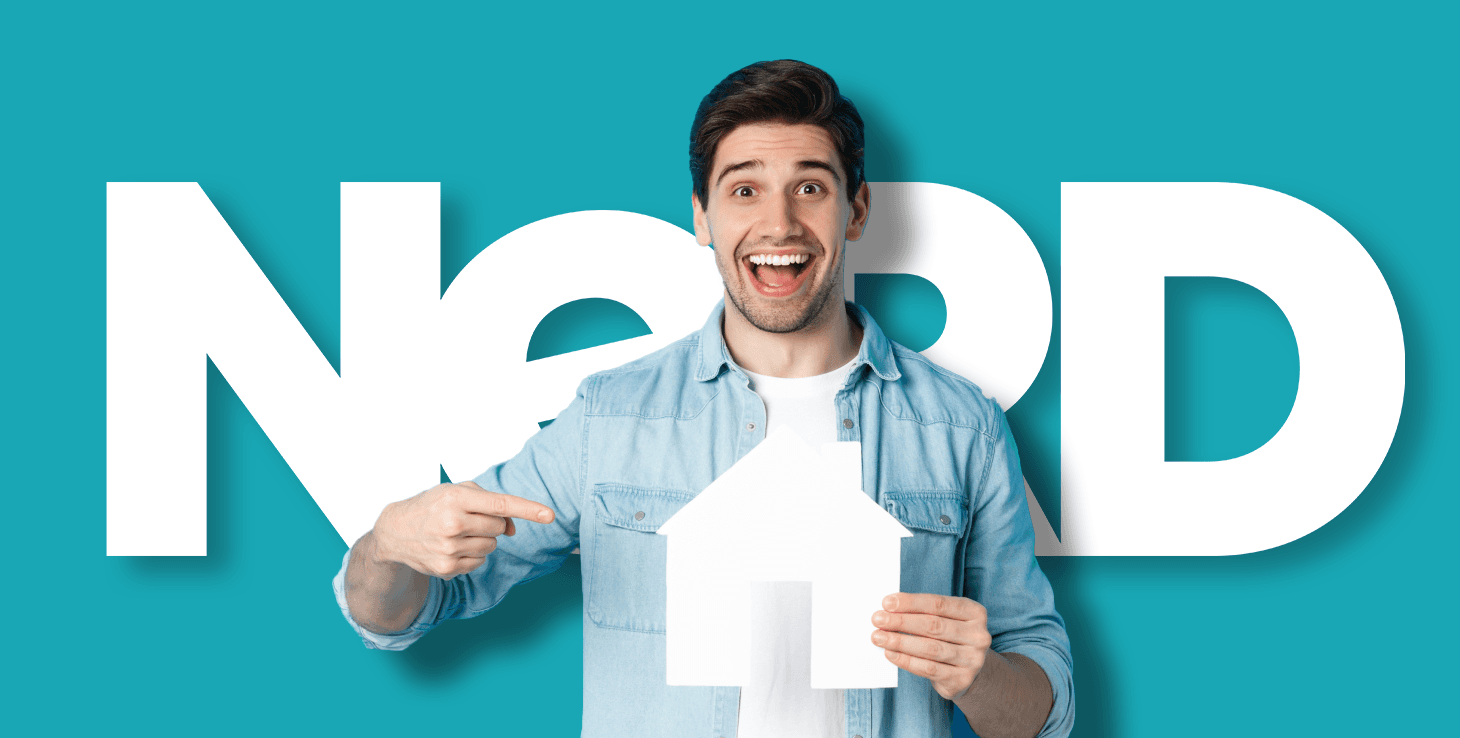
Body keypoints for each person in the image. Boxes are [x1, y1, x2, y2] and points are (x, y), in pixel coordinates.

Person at [335, 60, 1073, 738]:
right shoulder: (611, 418)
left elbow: (1043, 707)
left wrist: (980, 678)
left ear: (856, 210)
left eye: (810, 187)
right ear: (701, 216)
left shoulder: (960, 428)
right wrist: (387, 546)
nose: (779, 224)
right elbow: (398, 614)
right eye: (744, 189)